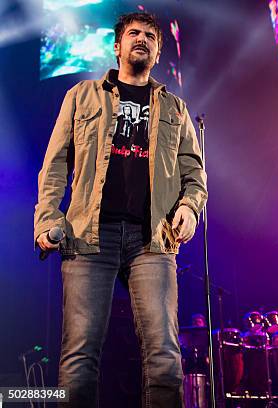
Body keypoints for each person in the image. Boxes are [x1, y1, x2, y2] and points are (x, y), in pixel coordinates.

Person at [33, 12, 207, 407]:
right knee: (79, 355)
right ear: (117, 46)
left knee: (164, 354)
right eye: (133, 33)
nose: (141, 39)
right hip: (87, 236)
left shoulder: (176, 109)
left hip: (153, 240)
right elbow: (55, 162)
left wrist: (190, 208)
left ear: (159, 51)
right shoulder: (81, 96)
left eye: (150, 35)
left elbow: (194, 174)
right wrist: (47, 218)